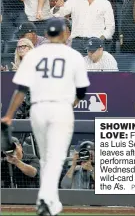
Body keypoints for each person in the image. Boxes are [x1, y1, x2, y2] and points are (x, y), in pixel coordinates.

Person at [1, 18, 90, 216]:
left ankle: (46, 199)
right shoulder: (73, 55)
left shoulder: (35, 55)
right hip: (60, 108)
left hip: (38, 109)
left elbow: (21, 89)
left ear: (47, 35)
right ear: (64, 34)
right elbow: (82, 92)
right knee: (55, 157)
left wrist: (8, 115)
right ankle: (47, 200)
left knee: (44, 158)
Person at [51, 0, 115, 55]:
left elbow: (110, 27)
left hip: (96, 42)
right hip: (77, 43)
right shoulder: (74, 0)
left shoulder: (105, 4)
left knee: (94, 67)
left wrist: (101, 38)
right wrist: (57, 7)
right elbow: (58, 14)